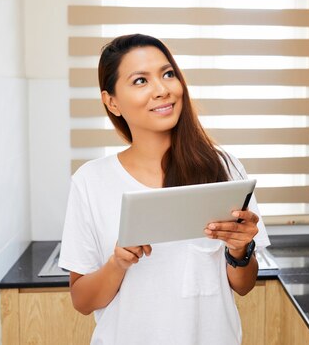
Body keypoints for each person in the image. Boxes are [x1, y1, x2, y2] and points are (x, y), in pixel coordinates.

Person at [58, 33, 270, 345]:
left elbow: (243, 285)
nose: (162, 90)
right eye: (140, 81)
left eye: (167, 74)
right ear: (112, 101)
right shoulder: (91, 181)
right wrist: (118, 263)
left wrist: (240, 250)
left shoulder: (223, 167)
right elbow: (83, 300)